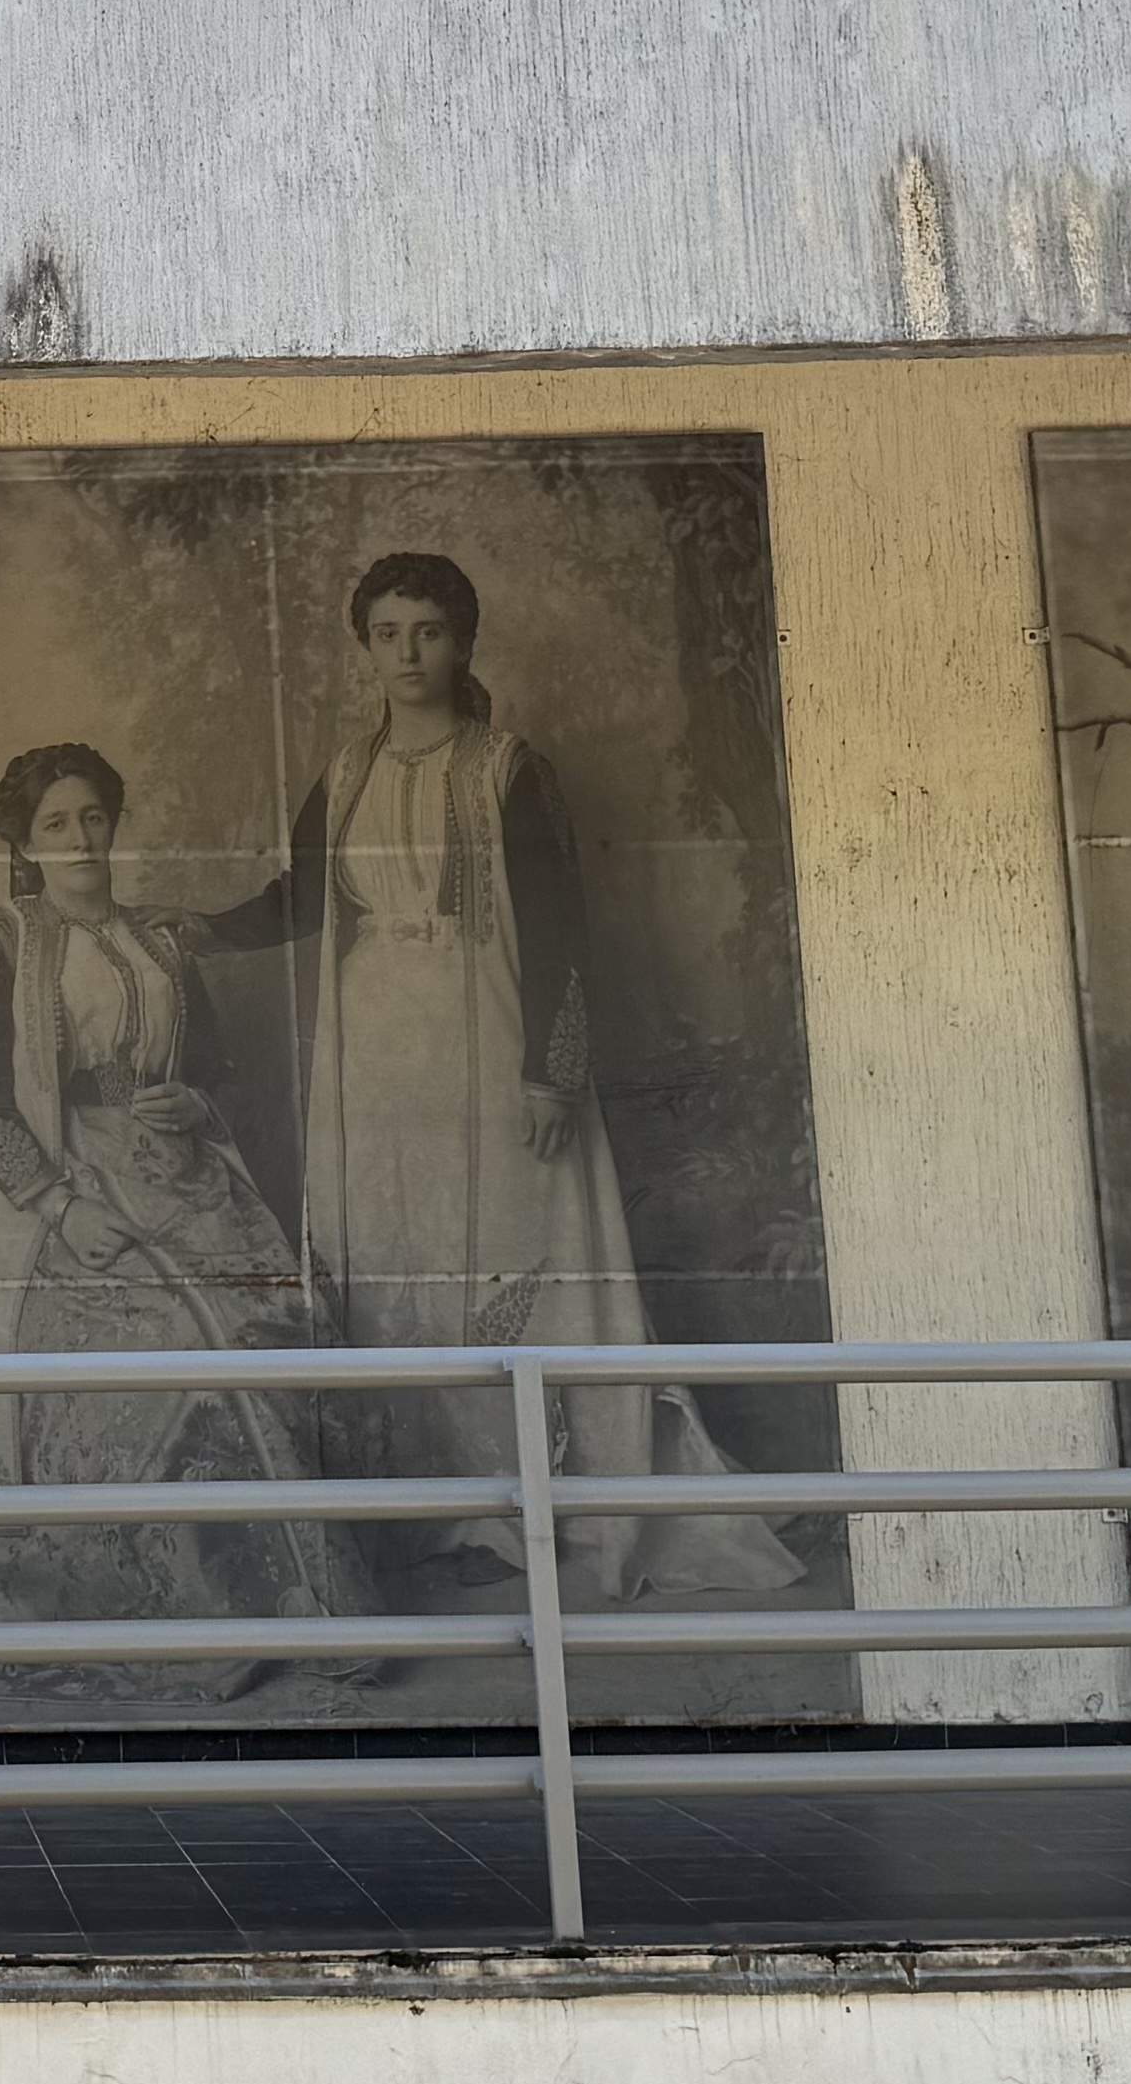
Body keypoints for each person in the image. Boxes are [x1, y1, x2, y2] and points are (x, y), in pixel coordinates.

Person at [195, 551, 787, 1605]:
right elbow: (299, 902)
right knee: (391, 1257)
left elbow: (561, 928)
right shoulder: (344, 776)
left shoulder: (510, 767)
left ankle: (546, 1501)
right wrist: (188, 931)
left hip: (492, 1038)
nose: (407, 653)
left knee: (523, 1251)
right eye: (386, 632)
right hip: (375, 1050)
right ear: (365, 647)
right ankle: (431, 1507)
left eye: (428, 630)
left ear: (464, 641)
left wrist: (550, 1073)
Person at [0, 744, 358, 1659]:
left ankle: (312, 1593)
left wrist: (195, 1100)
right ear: (26, 843)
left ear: (114, 823)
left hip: (182, 1169)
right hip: (51, 1185)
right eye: (56, 825)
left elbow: (214, 1062)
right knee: (180, 1347)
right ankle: (202, 1606)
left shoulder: (159, 937)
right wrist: (63, 1208)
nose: (79, 840)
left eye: (92, 818)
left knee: (280, 1316)